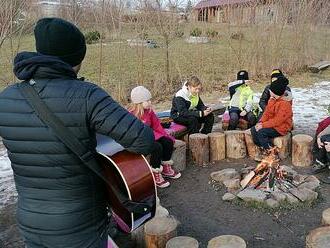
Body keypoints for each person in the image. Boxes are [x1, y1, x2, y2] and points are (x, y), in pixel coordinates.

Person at [0, 18, 154, 248]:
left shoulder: (6, 98)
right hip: (80, 225)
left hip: (31, 221)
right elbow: (144, 140)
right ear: (77, 58)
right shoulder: (87, 95)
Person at [128, 86, 181, 188]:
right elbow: (132, 134)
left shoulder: (149, 112)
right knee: (157, 147)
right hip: (138, 141)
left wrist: (167, 136)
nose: (150, 102)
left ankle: (166, 168)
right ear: (139, 103)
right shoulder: (132, 115)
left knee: (167, 142)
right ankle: (155, 173)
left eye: (150, 100)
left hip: (150, 135)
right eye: (147, 101)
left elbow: (157, 126)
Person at [251, 76, 293, 155]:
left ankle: (272, 153)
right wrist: (260, 122)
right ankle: (264, 147)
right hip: (272, 124)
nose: (269, 91)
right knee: (253, 130)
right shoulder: (272, 99)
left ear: (274, 92)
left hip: (282, 127)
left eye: (270, 90)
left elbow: (278, 121)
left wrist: (263, 125)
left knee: (261, 132)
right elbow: (267, 113)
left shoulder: (285, 104)